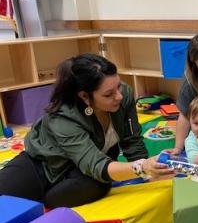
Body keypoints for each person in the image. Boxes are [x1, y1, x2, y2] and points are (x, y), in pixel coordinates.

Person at [0, 54, 171, 208]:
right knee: (5, 197)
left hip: (82, 169)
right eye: (108, 94)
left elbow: (131, 140)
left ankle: (45, 201)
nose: (118, 96)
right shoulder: (63, 117)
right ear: (84, 96)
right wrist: (142, 167)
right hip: (44, 164)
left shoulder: (123, 95)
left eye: (118, 86)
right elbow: (95, 164)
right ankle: (42, 200)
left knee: (99, 184)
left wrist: (149, 172)